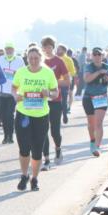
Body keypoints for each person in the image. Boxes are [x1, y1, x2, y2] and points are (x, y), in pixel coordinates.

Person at [12, 46, 57, 192]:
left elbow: (55, 93)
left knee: (37, 150)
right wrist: (15, 95)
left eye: (36, 58)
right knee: (24, 148)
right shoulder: (21, 72)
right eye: (30, 58)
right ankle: (24, 175)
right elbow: (14, 87)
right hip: (23, 114)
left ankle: (35, 178)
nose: (33, 61)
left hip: (41, 116)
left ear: (41, 58)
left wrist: (48, 93)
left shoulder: (48, 73)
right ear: (27, 58)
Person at [40, 36, 70, 167]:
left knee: (55, 130)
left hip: (55, 99)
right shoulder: (38, 61)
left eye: (49, 46)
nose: (47, 49)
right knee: (42, 129)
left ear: (53, 47)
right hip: (41, 101)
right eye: (45, 46)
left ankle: (58, 148)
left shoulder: (59, 61)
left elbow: (68, 81)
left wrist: (53, 82)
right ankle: (46, 157)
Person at [82, 47, 108, 156]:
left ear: (102, 56)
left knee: (98, 123)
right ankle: (92, 141)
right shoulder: (89, 67)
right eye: (95, 54)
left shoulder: (106, 66)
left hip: (101, 97)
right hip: (89, 97)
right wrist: (99, 72)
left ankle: (97, 147)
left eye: (99, 54)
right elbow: (87, 79)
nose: (97, 56)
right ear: (92, 56)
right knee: (91, 124)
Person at [0, 42, 24, 144]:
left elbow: (23, 73)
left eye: (10, 49)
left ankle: (10, 136)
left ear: (13, 50)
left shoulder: (19, 60)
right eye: (7, 49)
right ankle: (5, 135)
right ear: (5, 50)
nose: (9, 51)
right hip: (2, 92)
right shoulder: (0, 60)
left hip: (13, 92)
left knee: (9, 115)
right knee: (3, 116)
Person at [56, 44, 77, 124]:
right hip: (55, 83)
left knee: (64, 100)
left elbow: (73, 71)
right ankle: (56, 116)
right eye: (57, 49)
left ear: (64, 51)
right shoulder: (54, 58)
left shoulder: (68, 60)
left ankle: (64, 114)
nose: (57, 51)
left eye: (59, 49)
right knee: (54, 101)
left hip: (64, 83)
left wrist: (66, 75)